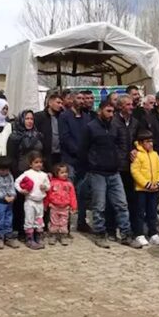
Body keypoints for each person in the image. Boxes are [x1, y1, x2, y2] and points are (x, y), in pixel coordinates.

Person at [80, 99, 137, 249]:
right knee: (99, 206)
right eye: (108, 111)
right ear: (100, 111)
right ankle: (100, 234)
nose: (111, 114)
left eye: (113, 111)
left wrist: (117, 159)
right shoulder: (90, 128)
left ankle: (126, 234)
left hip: (114, 171)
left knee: (122, 204)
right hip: (97, 172)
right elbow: (83, 149)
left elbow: (120, 144)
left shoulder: (114, 126)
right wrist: (92, 164)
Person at [58, 89, 92, 231]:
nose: (82, 101)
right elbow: (65, 138)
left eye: (83, 99)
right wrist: (78, 152)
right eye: (79, 98)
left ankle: (82, 221)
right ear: (72, 100)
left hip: (84, 162)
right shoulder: (65, 117)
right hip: (70, 160)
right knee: (67, 192)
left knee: (82, 193)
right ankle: (64, 224)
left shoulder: (86, 117)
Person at [7, 110, 44, 238]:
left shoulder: (38, 135)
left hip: (37, 173)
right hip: (21, 173)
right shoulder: (14, 136)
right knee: (23, 203)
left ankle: (36, 229)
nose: (29, 121)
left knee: (35, 201)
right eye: (27, 118)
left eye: (31, 119)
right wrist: (15, 173)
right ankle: (22, 230)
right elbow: (11, 157)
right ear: (21, 120)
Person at [111, 94, 141, 241]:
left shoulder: (135, 122)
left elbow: (137, 140)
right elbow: (112, 144)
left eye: (132, 105)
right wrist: (119, 158)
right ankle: (112, 228)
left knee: (131, 198)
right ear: (121, 106)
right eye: (128, 105)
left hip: (132, 166)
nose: (131, 107)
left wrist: (136, 148)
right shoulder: (114, 122)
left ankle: (132, 227)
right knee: (116, 199)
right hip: (118, 166)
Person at [131, 129, 159, 247]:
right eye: (147, 141)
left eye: (151, 141)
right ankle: (139, 234)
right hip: (142, 190)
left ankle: (153, 233)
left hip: (154, 189)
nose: (150, 144)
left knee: (152, 212)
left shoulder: (155, 154)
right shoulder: (138, 155)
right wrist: (146, 184)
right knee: (140, 212)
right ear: (141, 143)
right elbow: (135, 172)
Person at [14, 151, 51, 249]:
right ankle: (29, 239)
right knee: (29, 219)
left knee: (39, 219)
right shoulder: (27, 174)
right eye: (36, 162)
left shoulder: (44, 175)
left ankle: (38, 236)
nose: (39, 164)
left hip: (40, 202)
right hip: (30, 202)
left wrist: (45, 187)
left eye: (40, 162)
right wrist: (22, 190)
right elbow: (17, 182)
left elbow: (48, 186)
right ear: (30, 164)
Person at [44, 163, 77, 246]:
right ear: (56, 173)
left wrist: (74, 206)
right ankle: (53, 236)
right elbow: (48, 194)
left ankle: (63, 236)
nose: (65, 174)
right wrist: (46, 204)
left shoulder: (69, 184)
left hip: (65, 207)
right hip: (54, 206)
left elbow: (72, 196)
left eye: (66, 172)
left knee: (64, 223)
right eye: (62, 172)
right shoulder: (52, 183)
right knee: (54, 222)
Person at [0, 156, 19, 248]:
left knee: (8, 220)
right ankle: (0, 238)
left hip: (9, 202)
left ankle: (9, 237)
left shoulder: (9, 175)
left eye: (7, 170)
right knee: (0, 220)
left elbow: (12, 186)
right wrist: (3, 197)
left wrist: (13, 195)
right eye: (2, 170)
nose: (5, 172)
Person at [34, 92, 63, 170]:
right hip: (45, 155)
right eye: (58, 102)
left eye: (61, 103)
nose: (60, 105)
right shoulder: (39, 117)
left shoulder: (62, 117)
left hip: (59, 155)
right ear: (50, 103)